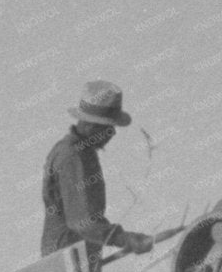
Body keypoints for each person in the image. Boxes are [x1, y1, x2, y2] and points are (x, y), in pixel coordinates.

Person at [39, 80, 158, 258]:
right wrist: (126, 239)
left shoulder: (80, 152)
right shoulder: (73, 157)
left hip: (76, 255)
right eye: (108, 127)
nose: (112, 133)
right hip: (67, 258)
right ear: (90, 125)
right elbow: (84, 223)